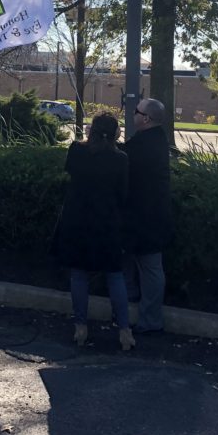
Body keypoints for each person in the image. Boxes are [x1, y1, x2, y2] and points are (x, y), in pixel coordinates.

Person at [52, 113, 135, 351]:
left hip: (77, 219)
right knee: (114, 274)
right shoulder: (120, 159)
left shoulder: (76, 152)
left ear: (92, 131)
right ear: (116, 134)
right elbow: (123, 193)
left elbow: (69, 173)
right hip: (107, 222)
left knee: (78, 274)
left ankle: (80, 326)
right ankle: (124, 330)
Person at [122, 97, 173, 334]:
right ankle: (132, 300)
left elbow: (123, 160)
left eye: (136, 111)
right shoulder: (156, 140)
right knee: (134, 262)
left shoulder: (144, 145)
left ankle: (150, 320)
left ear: (146, 118)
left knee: (151, 267)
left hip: (146, 218)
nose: (132, 114)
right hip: (149, 216)